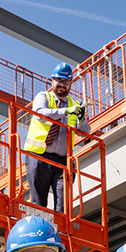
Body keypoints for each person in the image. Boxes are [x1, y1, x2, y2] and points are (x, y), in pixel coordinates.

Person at [22, 62, 91, 212]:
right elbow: (40, 114)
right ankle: (39, 231)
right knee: (39, 204)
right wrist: (66, 111)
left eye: (66, 82)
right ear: (52, 81)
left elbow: (86, 131)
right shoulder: (43, 97)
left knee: (63, 207)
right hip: (38, 156)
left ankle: (60, 232)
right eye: (59, 80)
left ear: (70, 84)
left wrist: (81, 117)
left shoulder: (75, 104)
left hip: (62, 160)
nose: (62, 85)